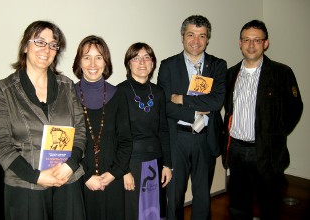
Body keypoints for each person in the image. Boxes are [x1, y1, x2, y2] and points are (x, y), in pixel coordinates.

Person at [0, 20, 87, 220]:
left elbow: (80, 130)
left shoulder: (67, 86)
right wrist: (37, 176)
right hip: (26, 184)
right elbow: (1, 144)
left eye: (53, 44)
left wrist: (70, 165)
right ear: (25, 46)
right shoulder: (4, 90)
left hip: (67, 179)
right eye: (40, 41)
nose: (47, 49)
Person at [221, 20, 303, 220]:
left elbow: (295, 108)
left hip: (266, 151)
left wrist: (275, 135)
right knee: (238, 205)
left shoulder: (281, 73)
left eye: (257, 40)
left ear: (265, 43)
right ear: (239, 43)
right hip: (237, 151)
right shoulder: (230, 74)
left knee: (269, 205)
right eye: (246, 40)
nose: (251, 45)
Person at [157, 15, 227, 220]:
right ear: (182, 37)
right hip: (178, 139)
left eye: (202, 36)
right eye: (191, 35)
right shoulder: (168, 65)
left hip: (206, 138)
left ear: (207, 39)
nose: (196, 41)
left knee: (203, 197)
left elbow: (216, 102)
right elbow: (165, 107)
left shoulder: (218, 65)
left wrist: (182, 99)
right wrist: (194, 111)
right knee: (175, 197)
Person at [72, 35, 132, 220]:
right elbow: (64, 142)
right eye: (86, 57)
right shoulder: (67, 95)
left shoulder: (118, 95)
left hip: (111, 176)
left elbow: (126, 140)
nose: (93, 63)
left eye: (99, 57)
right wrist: (86, 175)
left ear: (105, 63)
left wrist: (114, 173)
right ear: (79, 62)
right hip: (79, 177)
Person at [118, 42, 172, 220]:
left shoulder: (158, 92)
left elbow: (163, 130)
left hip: (156, 162)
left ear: (153, 63)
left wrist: (167, 165)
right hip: (132, 161)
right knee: (134, 212)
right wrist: (124, 170)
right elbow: (116, 135)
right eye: (136, 58)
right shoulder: (120, 92)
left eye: (146, 57)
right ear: (128, 63)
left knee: (154, 211)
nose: (142, 62)